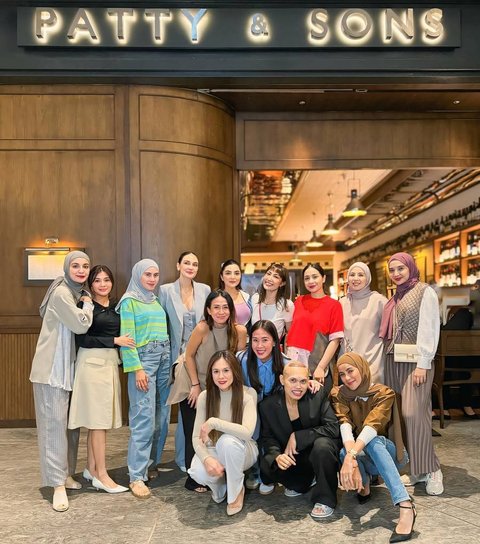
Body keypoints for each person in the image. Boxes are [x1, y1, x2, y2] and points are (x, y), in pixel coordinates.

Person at [30, 250, 94, 512]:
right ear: (66, 268)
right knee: (54, 427)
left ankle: (66, 474)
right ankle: (56, 484)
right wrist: (88, 304)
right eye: (76, 266)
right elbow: (81, 325)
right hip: (52, 372)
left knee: (70, 426)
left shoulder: (74, 292)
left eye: (85, 266)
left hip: (67, 369)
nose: (81, 270)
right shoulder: (61, 293)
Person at [330, 353, 415, 543]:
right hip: (363, 456)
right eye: (342, 374)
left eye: (350, 371)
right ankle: (365, 484)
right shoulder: (338, 394)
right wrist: (350, 455)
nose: (347, 378)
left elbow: (372, 426)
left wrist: (351, 456)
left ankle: (405, 505)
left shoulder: (384, 393)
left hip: (386, 453)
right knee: (344, 451)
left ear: (362, 368)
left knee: (371, 442)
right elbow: (344, 423)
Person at [379, 252, 443, 495]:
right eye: (392, 270)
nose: (396, 274)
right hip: (395, 360)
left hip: (416, 363)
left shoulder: (424, 291)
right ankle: (417, 468)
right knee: (401, 418)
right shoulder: (397, 295)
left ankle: (433, 468)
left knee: (415, 414)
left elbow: (429, 328)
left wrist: (423, 363)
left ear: (410, 268)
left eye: (400, 269)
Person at [68, 265, 133, 494]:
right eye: (97, 280)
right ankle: (102, 476)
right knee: (98, 423)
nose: (103, 284)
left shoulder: (117, 306)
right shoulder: (85, 306)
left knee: (98, 423)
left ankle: (90, 468)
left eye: (106, 279)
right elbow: (82, 339)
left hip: (108, 365)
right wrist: (114, 341)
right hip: (91, 365)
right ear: (91, 284)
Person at [238, 319, 320, 493]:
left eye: (265, 340)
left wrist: (312, 382)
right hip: (251, 410)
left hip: (275, 411)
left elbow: (301, 378)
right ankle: (254, 469)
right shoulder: (242, 360)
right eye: (255, 340)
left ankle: (275, 467)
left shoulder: (285, 363)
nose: (260, 345)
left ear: (275, 341)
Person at [178, 289, 247, 492]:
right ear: (208, 309)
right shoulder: (201, 329)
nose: (221, 311)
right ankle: (195, 479)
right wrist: (195, 385)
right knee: (195, 430)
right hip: (196, 382)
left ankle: (219, 470)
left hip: (222, 385)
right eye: (216, 307)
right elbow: (188, 356)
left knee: (218, 431)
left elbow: (239, 362)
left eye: (225, 307)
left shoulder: (239, 331)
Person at [259, 362, 341, 520]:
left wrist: (300, 436)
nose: (298, 386)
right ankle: (307, 481)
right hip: (295, 459)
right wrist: (277, 456)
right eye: (293, 380)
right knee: (268, 463)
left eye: (303, 381)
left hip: (317, 454)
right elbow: (268, 438)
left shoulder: (316, 395)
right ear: (282, 380)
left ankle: (325, 499)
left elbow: (333, 428)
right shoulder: (267, 406)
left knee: (322, 445)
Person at [116, 259, 170, 499]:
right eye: (147, 274)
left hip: (164, 358)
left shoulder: (155, 300)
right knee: (143, 418)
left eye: (156, 274)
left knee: (161, 415)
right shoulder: (129, 301)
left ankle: (150, 463)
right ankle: (136, 476)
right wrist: (137, 368)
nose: (152, 279)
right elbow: (127, 340)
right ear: (137, 275)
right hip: (144, 361)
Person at [158, 251, 210, 474]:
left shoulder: (205, 290)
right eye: (186, 262)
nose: (190, 266)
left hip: (198, 358)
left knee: (191, 409)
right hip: (173, 358)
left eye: (195, 263)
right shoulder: (165, 290)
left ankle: (187, 457)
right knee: (167, 409)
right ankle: (154, 460)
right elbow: (161, 323)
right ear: (178, 265)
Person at [189, 351, 258, 515]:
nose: (221, 376)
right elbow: (196, 437)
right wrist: (206, 459)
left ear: (235, 370)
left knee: (227, 442)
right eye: (216, 371)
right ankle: (219, 486)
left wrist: (214, 422)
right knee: (197, 471)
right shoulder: (205, 396)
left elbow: (247, 432)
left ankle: (236, 492)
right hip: (214, 447)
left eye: (226, 370)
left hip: (243, 448)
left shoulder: (248, 394)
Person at [286, 263, 344, 392]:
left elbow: (335, 340)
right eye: (307, 278)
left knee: (316, 410)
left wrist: (321, 367)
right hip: (294, 366)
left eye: (315, 277)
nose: (311, 281)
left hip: (317, 367)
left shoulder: (334, 305)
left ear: (323, 278)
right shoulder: (299, 301)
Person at [340, 261, 388, 383]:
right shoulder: (342, 303)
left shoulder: (379, 301)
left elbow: (390, 331)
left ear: (368, 278)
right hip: (348, 364)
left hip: (372, 362)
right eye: (352, 274)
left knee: (372, 399)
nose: (356, 278)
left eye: (361, 275)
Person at [250, 263, 294, 340]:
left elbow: (290, 332)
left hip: (274, 349)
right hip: (255, 348)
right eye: (268, 274)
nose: (269, 278)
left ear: (282, 283)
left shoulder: (287, 305)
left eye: (276, 276)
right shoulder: (255, 299)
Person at [218, 259, 251, 326]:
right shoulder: (216, 298)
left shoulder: (247, 297)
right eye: (228, 273)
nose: (233, 277)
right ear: (221, 277)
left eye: (236, 273)